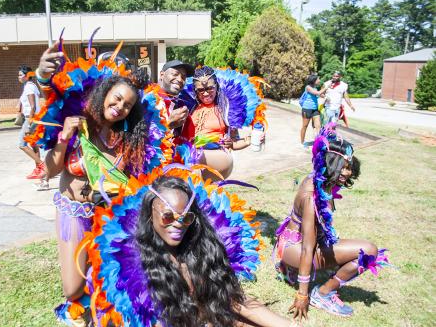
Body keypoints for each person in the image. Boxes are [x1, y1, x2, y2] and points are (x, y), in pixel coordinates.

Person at [31, 40, 161, 326]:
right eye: (116, 99)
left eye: (127, 105)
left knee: (110, 281)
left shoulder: (129, 141)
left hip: (108, 218)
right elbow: (48, 171)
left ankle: (100, 316)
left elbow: (139, 181)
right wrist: (64, 138)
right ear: (104, 93)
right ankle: (82, 308)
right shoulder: (78, 123)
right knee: (73, 289)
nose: (119, 107)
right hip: (75, 212)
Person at [86, 171, 298, 327]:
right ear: (150, 217)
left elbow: (232, 300)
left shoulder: (202, 250)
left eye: (185, 218)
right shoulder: (133, 269)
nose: (178, 224)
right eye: (167, 216)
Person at [273, 124, 390, 321]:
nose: (347, 173)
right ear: (330, 163)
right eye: (343, 167)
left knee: (347, 249)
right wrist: (303, 294)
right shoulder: (312, 197)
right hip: (295, 248)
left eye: (349, 167)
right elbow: (307, 249)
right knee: (369, 251)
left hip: (290, 244)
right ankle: (323, 294)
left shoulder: (320, 181)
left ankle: (289, 269)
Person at [179, 66, 266, 181]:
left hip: (217, 155)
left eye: (210, 88)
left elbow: (234, 144)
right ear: (195, 91)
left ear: (217, 87)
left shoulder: (225, 109)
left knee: (191, 158)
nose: (205, 93)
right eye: (200, 90)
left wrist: (250, 140)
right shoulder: (190, 108)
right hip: (193, 156)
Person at [142, 60, 195, 131]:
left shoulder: (179, 103)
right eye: (175, 74)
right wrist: (168, 124)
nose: (180, 79)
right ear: (162, 75)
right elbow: (142, 136)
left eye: (183, 77)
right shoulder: (149, 100)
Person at [17, 65, 44, 180]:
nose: (18, 77)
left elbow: (32, 107)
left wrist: (29, 124)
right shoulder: (31, 86)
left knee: (22, 145)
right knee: (33, 144)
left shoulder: (28, 87)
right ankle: (38, 169)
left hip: (31, 118)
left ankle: (42, 166)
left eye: (20, 75)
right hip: (34, 118)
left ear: (27, 76)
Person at [299, 74, 327, 147]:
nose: (319, 80)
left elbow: (318, 94)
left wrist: (324, 94)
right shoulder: (308, 87)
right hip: (307, 109)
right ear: (314, 80)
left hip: (315, 109)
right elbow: (317, 93)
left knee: (318, 126)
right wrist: (326, 87)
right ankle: (302, 143)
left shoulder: (315, 88)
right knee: (305, 126)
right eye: (318, 79)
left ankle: (318, 142)